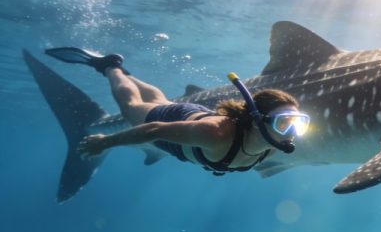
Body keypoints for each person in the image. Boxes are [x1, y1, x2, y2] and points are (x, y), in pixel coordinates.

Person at [44, 48, 310, 174]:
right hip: (182, 123)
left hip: (192, 115)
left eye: (299, 123)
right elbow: (153, 130)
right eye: (284, 122)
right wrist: (106, 142)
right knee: (132, 107)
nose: (292, 132)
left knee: (158, 99)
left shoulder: (273, 142)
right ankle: (110, 67)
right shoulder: (214, 134)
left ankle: (124, 72)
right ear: (257, 121)